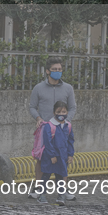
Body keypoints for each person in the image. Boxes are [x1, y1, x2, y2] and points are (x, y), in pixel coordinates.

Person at [29, 57, 76, 200]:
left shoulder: (68, 88)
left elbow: (73, 107)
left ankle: (63, 190)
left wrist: (65, 121)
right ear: (47, 71)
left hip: (62, 130)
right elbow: (32, 106)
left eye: (59, 69)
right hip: (45, 130)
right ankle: (38, 188)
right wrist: (38, 118)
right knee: (41, 158)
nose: (57, 72)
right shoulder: (38, 88)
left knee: (63, 157)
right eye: (54, 69)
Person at [37, 101, 74, 205]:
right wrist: (52, 155)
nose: (61, 114)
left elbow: (71, 140)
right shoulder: (49, 126)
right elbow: (47, 142)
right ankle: (42, 195)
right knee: (46, 175)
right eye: (58, 111)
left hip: (63, 156)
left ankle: (61, 195)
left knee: (61, 176)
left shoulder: (68, 125)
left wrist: (70, 154)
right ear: (54, 112)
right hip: (50, 157)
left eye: (64, 111)